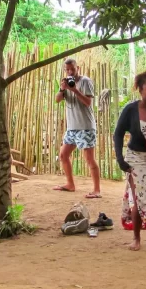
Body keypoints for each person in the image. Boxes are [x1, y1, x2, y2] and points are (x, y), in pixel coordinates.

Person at [114, 71, 146, 250]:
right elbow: (118, 134)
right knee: (139, 198)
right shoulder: (130, 109)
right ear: (140, 89)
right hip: (135, 159)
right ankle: (136, 238)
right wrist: (120, 159)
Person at [53, 58, 101, 198]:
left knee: (89, 159)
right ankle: (70, 184)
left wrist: (74, 90)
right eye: (67, 69)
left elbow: (88, 102)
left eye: (72, 69)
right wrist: (63, 89)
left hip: (85, 127)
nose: (70, 72)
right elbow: (57, 100)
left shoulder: (85, 81)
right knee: (63, 155)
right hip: (72, 128)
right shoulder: (65, 83)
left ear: (77, 68)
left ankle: (97, 190)